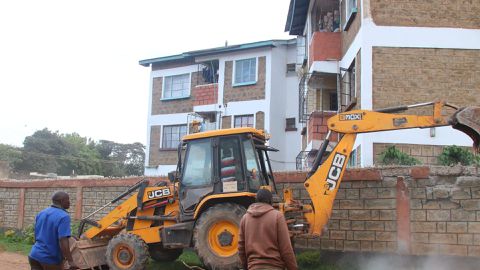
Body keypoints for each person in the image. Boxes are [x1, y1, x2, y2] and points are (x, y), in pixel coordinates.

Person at [238, 189, 298, 270]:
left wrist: (246, 267)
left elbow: (241, 247)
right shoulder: (277, 216)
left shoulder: (245, 218)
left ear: (256, 200)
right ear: (271, 201)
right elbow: (286, 249)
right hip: (274, 266)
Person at [29, 191, 78, 270]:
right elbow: (63, 240)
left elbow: (37, 233)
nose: (69, 202)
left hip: (34, 255)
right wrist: (70, 261)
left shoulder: (42, 212)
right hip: (49, 259)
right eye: (67, 200)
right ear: (61, 201)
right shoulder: (64, 216)